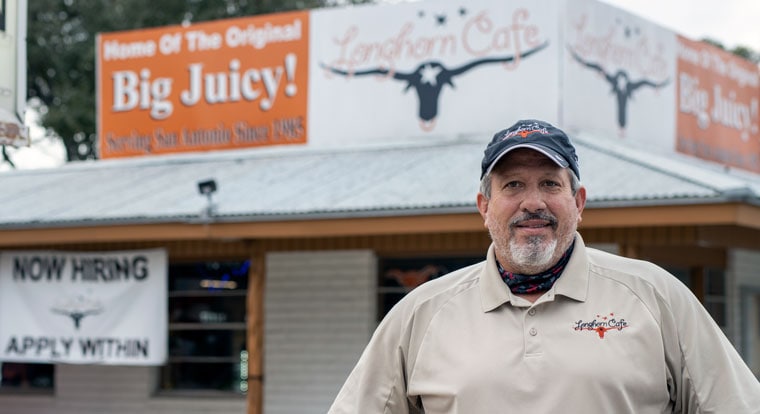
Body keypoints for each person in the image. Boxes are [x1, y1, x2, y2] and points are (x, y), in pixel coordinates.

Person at [328, 119, 760, 413]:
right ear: (485, 206)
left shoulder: (655, 296)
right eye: (513, 185)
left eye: (550, 184)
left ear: (578, 202)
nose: (532, 202)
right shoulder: (420, 312)